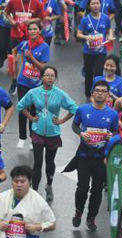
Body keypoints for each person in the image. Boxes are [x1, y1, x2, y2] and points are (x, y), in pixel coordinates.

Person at [16, 67, 77, 200]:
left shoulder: (60, 94)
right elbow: (20, 106)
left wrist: (61, 120)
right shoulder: (33, 92)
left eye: (52, 75)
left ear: (55, 78)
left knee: (50, 162)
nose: (50, 78)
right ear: (42, 77)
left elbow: (74, 108)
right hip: (37, 131)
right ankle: (35, 191)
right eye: (47, 75)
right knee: (37, 163)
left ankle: (49, 185)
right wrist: (31, 118)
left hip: (53, 133)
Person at [70, 80, 119, 232]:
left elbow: (116, 132)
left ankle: (91, 217)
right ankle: (78, 211)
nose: (100, 93)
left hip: (102, 159)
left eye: (104, 91)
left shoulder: (113, 114)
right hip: (84, 156)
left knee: (97, 190)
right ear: (92, 93)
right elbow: (74, 125)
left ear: (108, 95)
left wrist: (111, 137)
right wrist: (81, 133)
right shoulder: (82, 109)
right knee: (83, 186)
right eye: (97, 90)